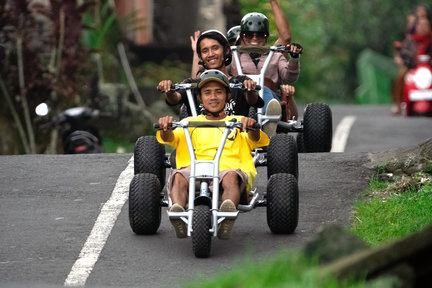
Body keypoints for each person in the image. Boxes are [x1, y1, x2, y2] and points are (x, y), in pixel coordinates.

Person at [157, 70, 270, 239]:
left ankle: (227, 214)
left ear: (228, 96)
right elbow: (169, 138)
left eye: (219, 92)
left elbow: (256, 140)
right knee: (179, 176)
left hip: (227, 170)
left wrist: (253, 127)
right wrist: (165, 128)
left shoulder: (239, 122)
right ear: (200, 98)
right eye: (207, 93)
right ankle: (178, 214)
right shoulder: (188, 123)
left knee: (231, 176)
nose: (213, 97)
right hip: (193, 170)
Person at [159, 29, 264, 118]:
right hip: (199, 140)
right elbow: (175, 99)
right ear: (201, 57)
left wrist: (250, 90)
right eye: (205, 51)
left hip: (234, 139)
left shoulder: (241, 81)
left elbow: (253, 101)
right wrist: (169, 91)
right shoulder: (192, 84)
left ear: (226, 51)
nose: (210, 54)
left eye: (215, 48)